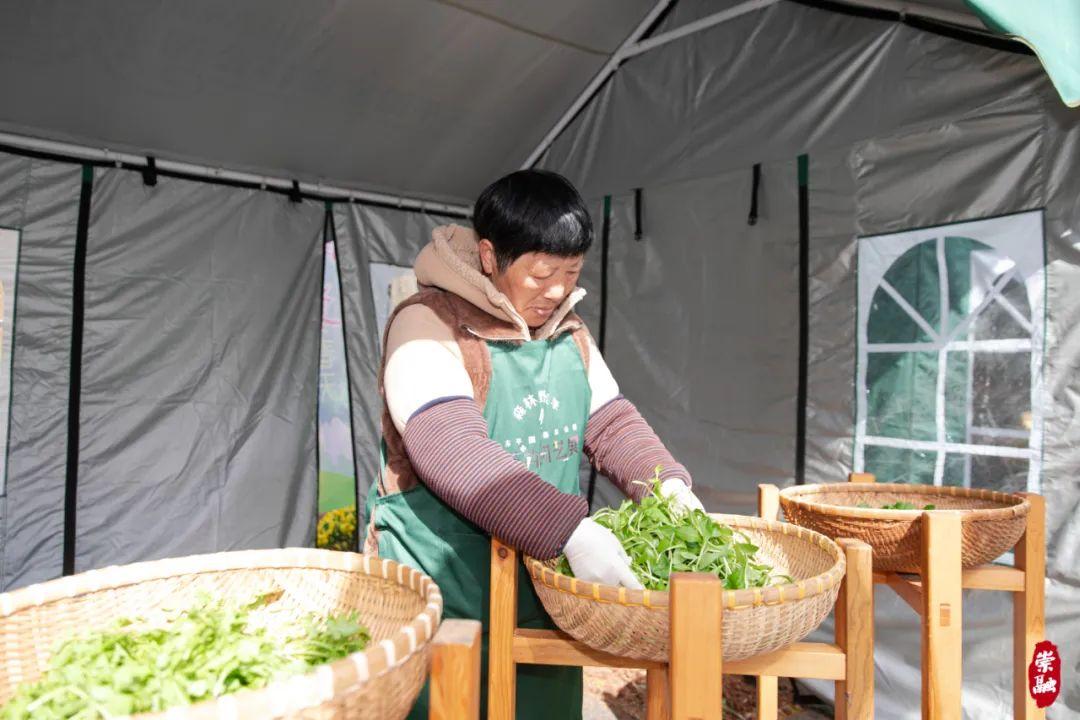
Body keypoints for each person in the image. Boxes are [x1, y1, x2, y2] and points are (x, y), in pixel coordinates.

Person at [363, 169, 702, 718]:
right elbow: (451, 447)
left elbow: (612, 424)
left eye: (570, 273)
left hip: (542, 588)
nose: (557, 291)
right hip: (446, 590)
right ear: (492, 256)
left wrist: (668, 488)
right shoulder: (427, 324)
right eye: (542, 273)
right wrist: (567, 528)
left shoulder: (567, 333)